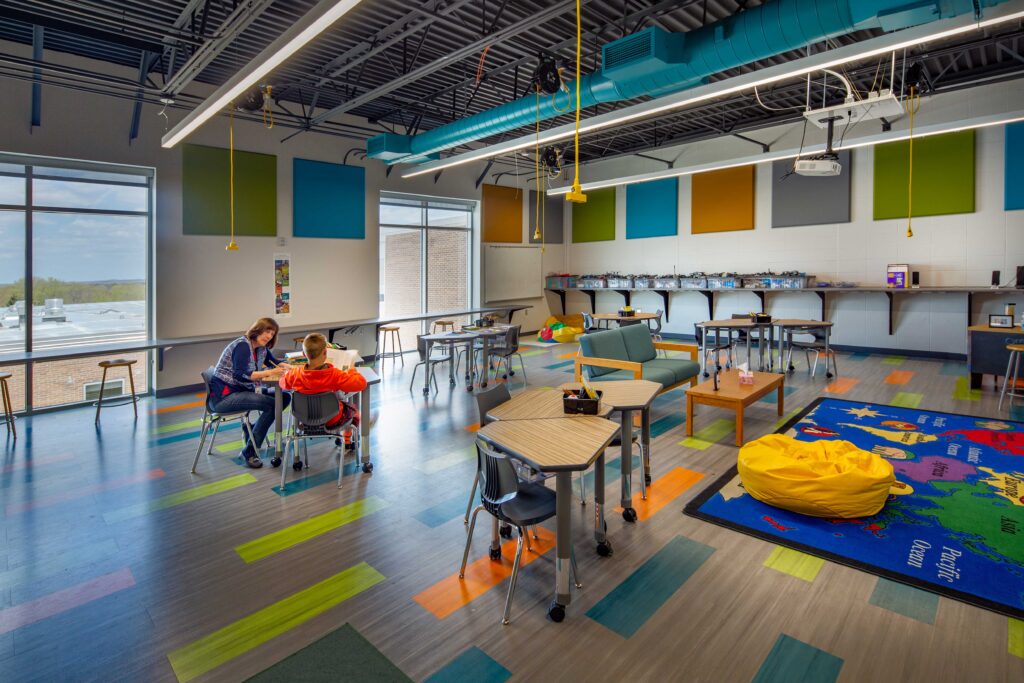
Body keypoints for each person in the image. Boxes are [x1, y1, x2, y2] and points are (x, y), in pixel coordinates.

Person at [210, 317, 289, 468]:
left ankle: (251, 430)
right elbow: (241, 375)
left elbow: (273, 361)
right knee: (273, 405)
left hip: (243, 390)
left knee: (284, 397)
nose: (269, 336)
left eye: (272, 334)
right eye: (267, 331)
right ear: (257, 329)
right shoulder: (242, 346)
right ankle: (250, 451)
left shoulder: (260, 347)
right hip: (225, 397)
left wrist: (288, 367)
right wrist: (271, 372)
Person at [279, 333, 367, 444]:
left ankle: (346, 439)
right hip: (332, 419)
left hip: (304, 420)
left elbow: (282, 383)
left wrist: (288, 373)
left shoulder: (295, 374)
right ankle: (347, 440)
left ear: (303, 354)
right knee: (353, 411)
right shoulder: (335, 374)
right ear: (325, 353)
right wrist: (352, 370)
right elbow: (361, 384)